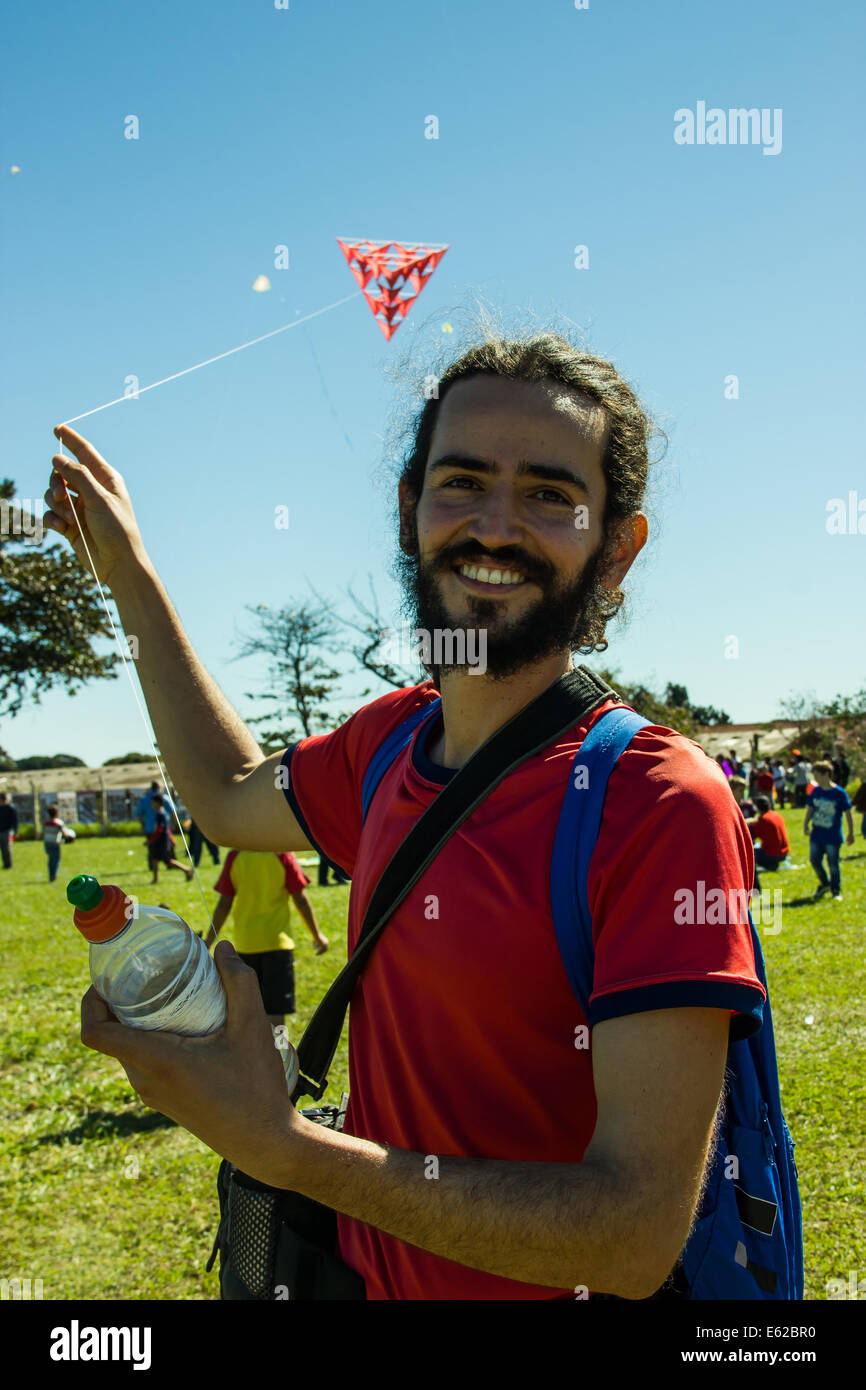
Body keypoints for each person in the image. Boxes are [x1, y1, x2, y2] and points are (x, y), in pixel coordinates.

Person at [47, 334, 767, 1302]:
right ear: (408, 508)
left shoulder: (653, 797)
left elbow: (630, 1237)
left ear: (615, 548)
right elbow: (224, 794)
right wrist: (132, 578)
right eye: (461, 480)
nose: (496, 525)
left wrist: (287, 1148)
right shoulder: (388, 744)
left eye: (550, 495)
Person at [204, 850, 328, 1038]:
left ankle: (253, 1054)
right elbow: (300, 899)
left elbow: (224, 903)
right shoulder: (282, 854)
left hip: (246, 944)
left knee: (248, 1008)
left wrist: (208, 941)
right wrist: (317, 935)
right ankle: (280, 1054)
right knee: (276, 1011)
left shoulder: (235, 856)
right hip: (277, 945)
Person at [804, 760, 854, 901]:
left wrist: (850, 832)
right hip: (817, 834)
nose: (815, 779)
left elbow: (848, 813)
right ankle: (825, 883)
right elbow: (811, 808)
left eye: (817, 776)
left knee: (833, 864)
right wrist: (806, 823)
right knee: (814, 860)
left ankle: (835, 890)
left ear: (826, 774)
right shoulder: (816, 791)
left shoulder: (839, 793)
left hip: (832, 835)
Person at [147, 794, 194, 884]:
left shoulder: (161, 814)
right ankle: (155, 879)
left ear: (157, 803)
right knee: (155, 859)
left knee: (167, 861)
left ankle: (187, 870)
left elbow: (160, 830)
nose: (151, 804)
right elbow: (166, 829)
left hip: (161, 841)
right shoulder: (162, 813)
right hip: (161, 840)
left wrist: (151, 840)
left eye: (152, 802)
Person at [744, 796, 790, 872]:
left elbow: (753, 837)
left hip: (772, 854)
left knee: (749, 852)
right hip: (784, 852)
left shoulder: (763, 820)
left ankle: (770, 865)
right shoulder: (776, 815)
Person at [42, 803, 76, 882]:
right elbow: (64, 833)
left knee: (50, 859)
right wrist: (69, 838)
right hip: (54, 843)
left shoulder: (46, 823)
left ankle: (50, 874)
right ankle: (53, 876)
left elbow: (42, 834)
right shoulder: (58, 823)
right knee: (56, 860)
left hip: (47, 843)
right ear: (57, 813)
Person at [0, 792, 18, 870]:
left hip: (7, 831)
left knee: (6, 849)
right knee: (3, 848)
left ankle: (8, 865)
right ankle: (5, 864)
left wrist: (15, 831)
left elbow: (15, 820)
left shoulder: (10, 808)